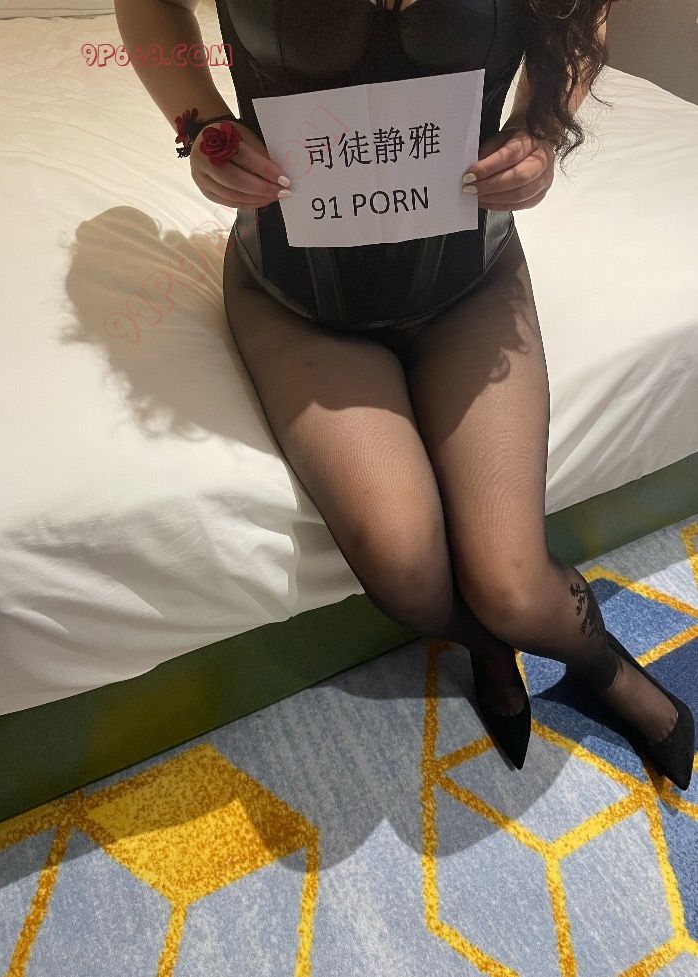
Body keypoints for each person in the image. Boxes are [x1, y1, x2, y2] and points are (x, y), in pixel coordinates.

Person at [115, 0, 695, 788]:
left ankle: (603, 666)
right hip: (299, 300)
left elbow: (581, 10)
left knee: (514, 586)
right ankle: (486, 644)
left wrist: (542, 128)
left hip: (469, 282)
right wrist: (200, 124)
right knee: (406, 572)